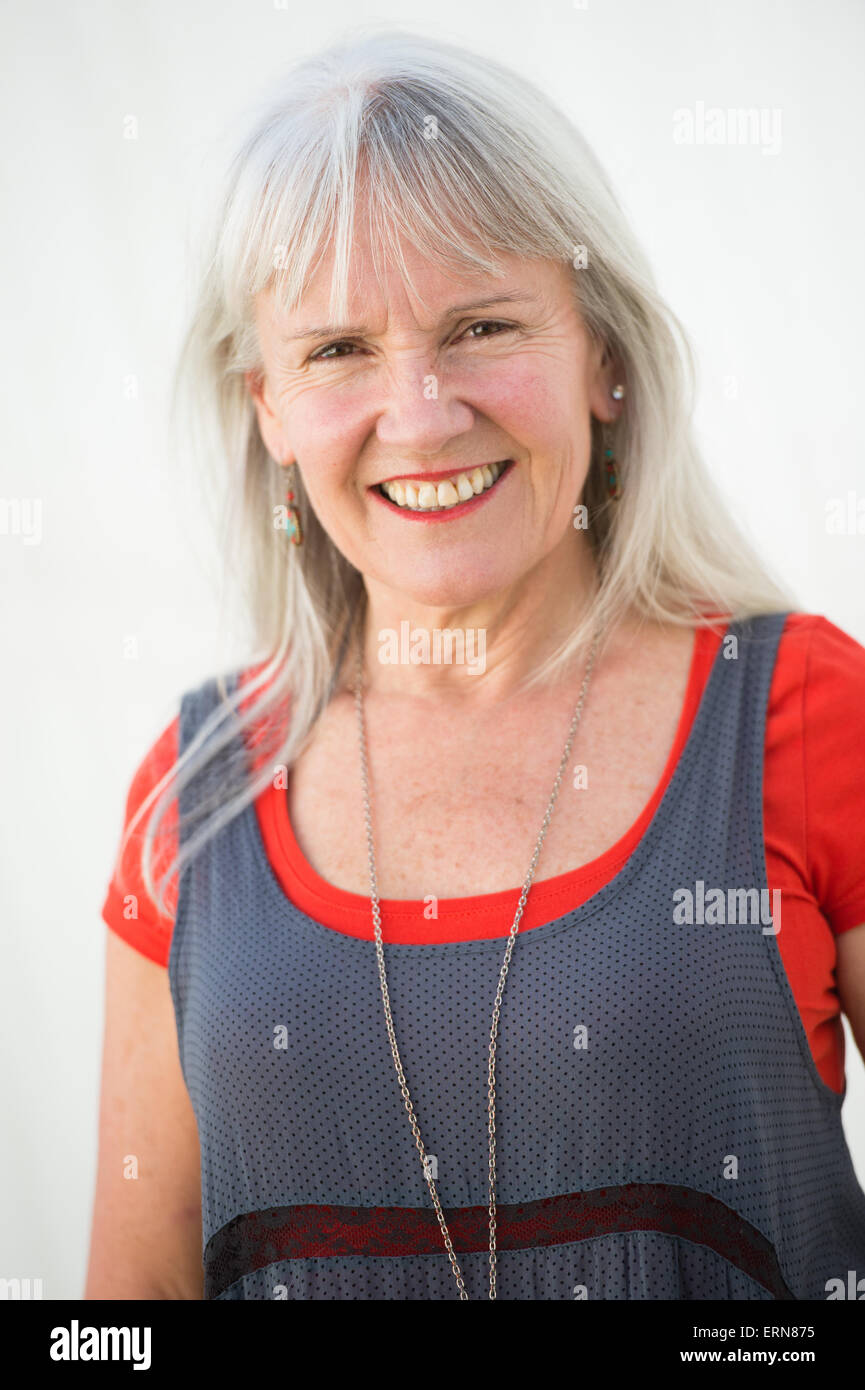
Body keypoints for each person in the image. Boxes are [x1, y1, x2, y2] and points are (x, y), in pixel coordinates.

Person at [86, 30, 865, 1301]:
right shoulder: (193, 795)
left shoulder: (805, 713)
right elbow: (126, 1314)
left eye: (483, 325)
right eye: (339, 350)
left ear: (603, 356)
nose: (424, 411)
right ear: (268, 406)